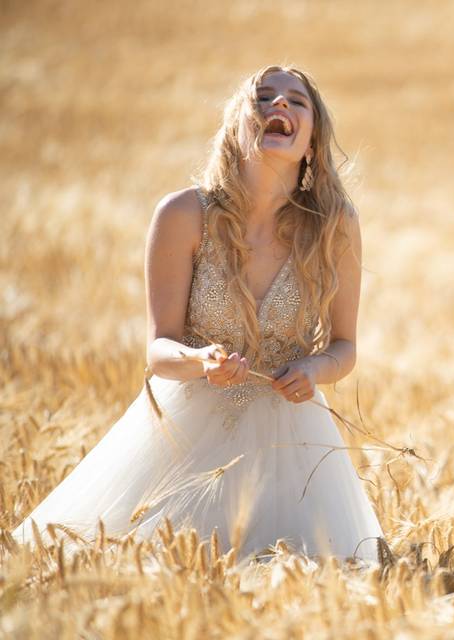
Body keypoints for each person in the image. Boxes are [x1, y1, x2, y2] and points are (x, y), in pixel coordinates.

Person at [10, 65, 386, 567]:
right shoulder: (183, 215)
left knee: (303, 576)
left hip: (292, 444)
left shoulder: (334, 225)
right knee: (132, 567)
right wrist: (200, 360)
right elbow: (159, 351)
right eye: (263, 98)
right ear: (237, 129)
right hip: (183, 433)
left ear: (312, 141)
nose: (278, 105)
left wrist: (314, 370)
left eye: (296, 102)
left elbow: (345, 347)